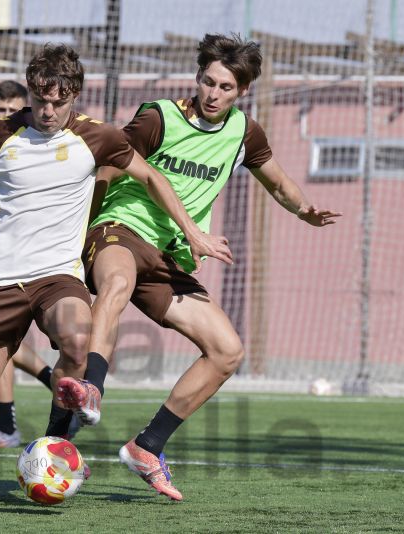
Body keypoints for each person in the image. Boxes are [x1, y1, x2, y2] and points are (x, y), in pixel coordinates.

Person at [0, 43, 231, 501]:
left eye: (58, 101)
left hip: (58, 276)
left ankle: (54, 443)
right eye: (40, 100)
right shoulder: (1, 136)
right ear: (31, 93)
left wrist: (190, 231)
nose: (48, 111)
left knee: (77, 337)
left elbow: (152, 177)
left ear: (74, 96)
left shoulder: (98, 137)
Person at [58, 33, 342, 501]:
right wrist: (78, 229)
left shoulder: (244, 134)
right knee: (117, 282)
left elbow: (278, 181)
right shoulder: (159, 118)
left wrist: (304, 209)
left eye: (225, 87)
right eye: (208, 82)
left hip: (172, 255)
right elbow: (108, 168)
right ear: (197, 78)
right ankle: (92, 388)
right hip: (121, 229)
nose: (213, 94)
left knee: (227, 350)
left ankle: (147, 446)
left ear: (242, 92)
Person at [0, 80, 67, 449]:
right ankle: (15, 418)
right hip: (6, 255)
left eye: (12, 109)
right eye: (0, 110)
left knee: (70, 338)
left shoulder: (47, 141)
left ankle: (60, 396)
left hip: (48, 257)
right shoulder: (0, 141)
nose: (7, 116)